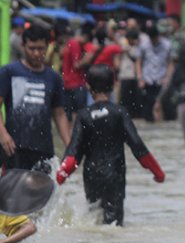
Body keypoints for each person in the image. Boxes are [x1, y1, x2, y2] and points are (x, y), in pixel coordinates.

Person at [56, 65, 165, 226]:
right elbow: (137, 146)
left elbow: (73, 154)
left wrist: (58, 178)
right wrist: (158, 173)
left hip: (92, 175)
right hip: (114, 174)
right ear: (113, 85)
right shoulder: (120, 113)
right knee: (114, 223)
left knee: (94, 218)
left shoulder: (83, 115)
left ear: (88, 87)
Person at [0, 24, 71, 173]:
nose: (37, 53)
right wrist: (3, 134)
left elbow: (59, 114)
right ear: (23, 45)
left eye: (41, 48)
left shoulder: (54, 78)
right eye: (32, 48)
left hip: (44, 148)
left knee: (42, 193)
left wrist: (69, 146)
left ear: (47, 47)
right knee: (13, 193)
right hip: (13, 147)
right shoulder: (9, 72)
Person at [136, 25, 173, 122]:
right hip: (148, 79)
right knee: (148, 110)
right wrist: (140, 78)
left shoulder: (167, 45)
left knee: (162, 107)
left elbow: (171, 63)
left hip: (162, 79)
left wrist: (168, 77)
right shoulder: (144, 45)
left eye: (155, 38)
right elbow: (138, 62)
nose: (153, 40)